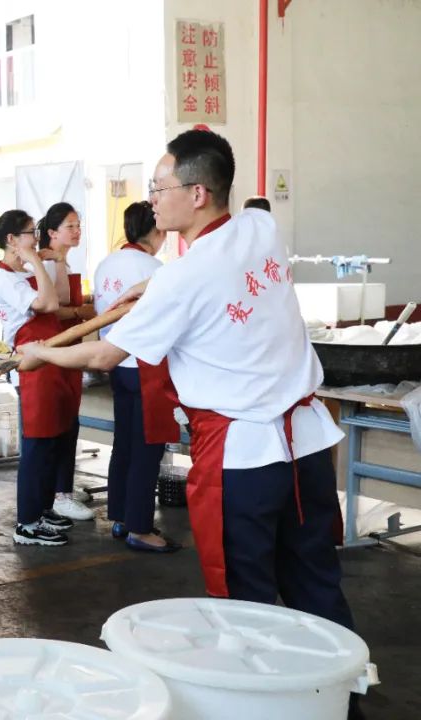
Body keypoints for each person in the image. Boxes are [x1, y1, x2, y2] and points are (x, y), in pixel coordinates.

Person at [18, 129, 355, 630]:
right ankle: (342, 701)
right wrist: (151, 284)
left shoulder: (180, 279)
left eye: (158, 187)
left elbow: (108, 355)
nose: (151, 200)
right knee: (315, 583)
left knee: (248, 600)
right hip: (306, 450)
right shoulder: (261, 228)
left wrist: (40, 352)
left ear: (197, 194)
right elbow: (227, 253)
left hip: (244, 460)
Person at [0, 209, 75, 546]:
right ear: (12, 240)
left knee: (52, 439)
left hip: (50, 359)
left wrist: (57, 260)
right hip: (31, 363)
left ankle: (44, 508)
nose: (35, 241)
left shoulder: (20, 274)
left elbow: (62, 298)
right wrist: (37, 261)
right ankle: (27, 523)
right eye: (30, 235)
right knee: (36, 444)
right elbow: (50, 305)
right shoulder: (5, 278)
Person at [92, 201, 178, 552]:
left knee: (125, 444)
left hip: (115, 366)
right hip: (145, 367)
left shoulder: (105, 264)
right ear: (156, 231)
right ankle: (140, 528)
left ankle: (121, 517)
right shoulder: (156, 268)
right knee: (146, 449)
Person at [36, 203, 97, 521]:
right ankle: (58, 494)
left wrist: (84, 303)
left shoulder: (63, 260)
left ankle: (62, 488)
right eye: (70, 226)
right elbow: (51, 307)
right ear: (51, 232)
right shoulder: (46, 261)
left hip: (70, 349)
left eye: (78, 225)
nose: (77, 231)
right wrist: (78, 312)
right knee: (57, 425)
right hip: (55, 350)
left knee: (69, 422)